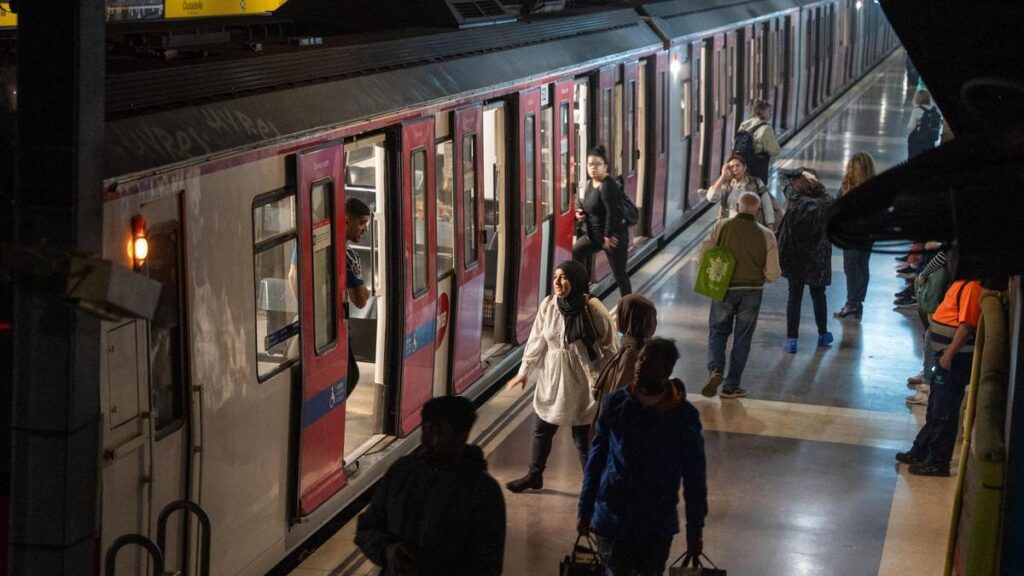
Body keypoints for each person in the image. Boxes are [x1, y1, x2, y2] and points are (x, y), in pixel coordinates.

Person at [578, 338, 707, 576]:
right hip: (612, 519)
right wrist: (585, 509)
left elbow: (694, 477)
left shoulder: (683, 416)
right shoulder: (616, 403)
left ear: (666, 372)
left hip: (655, 526)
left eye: (649, 362)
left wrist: (695, 529)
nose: (639, 365)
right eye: (640, 359)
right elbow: (596, 458)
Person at [355, 396, 505, 575]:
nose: (426, 439)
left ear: (461, 435)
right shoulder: (402, 471)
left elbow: (487, 564)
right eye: (424, 429)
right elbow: (367, 526)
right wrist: (387, 550)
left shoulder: (482, 491)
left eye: (437, 432)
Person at [505, 260, 617, 492]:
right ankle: (534, 476)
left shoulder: (592, 307)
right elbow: (537, 341)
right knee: (542, 429)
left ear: (576, 281)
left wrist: (606, 379)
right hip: (553, 378)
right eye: (556, 277)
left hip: (583, 381)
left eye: (564, 277)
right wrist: (524, 372)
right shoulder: (549, 305)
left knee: (582, 437)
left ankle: (593, 486)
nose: (558, 282)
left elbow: (611, 347)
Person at [896, 278, 1005, 476]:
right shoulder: (961, 283)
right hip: (945, 358)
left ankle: (938, 462)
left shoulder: (972, 288)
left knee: (944, 411)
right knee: (935, 408)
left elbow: (967, 326)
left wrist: (949, 355)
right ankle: (922, 449)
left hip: (954, 360)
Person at [699, 192, 781, 399]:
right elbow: (773, 273)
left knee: (718, 332)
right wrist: (759, 275)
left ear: (737, 206)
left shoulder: (721, 226)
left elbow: (704, 255)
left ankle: (715, 370)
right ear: (759, 211)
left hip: (724, 288)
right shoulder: (766, 234)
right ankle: (731, 386)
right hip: (752, 292)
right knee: (742, 338)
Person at [777, 167, 834, 354]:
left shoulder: (794, 198)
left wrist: (801, 171)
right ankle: (823, 334)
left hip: (796, 256)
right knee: (819, 296)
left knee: (794, 296)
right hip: (819, 258)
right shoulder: (828, 201)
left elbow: (781, 174)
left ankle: (792, 340)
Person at [590, 294, 659, 432]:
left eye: (620, 313)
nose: (616, 317)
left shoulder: (631, 353)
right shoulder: (638, 347)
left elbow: (620, 397)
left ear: (629, 317)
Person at [573, 144, 632, 297]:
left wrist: (607, 236)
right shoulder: (589, 184)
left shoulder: (608, 185)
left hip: (613, 238)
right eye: (590, 164)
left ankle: (629, 304)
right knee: (577, 252)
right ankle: (584, 295)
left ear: (605, 167)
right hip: (594, 236)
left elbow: (612, 212)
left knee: (619, 274)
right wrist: (581, 214)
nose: (593, 168)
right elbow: (589, 206)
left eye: (597, 164)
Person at [835, 153, 877, 320]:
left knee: (850, 266)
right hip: (869, 233)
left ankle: (852, 303)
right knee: (862, 265)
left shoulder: (847, 186)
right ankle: (857, 304)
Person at [343, 197, 372, 396]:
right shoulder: (349, 258)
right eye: (361, 223)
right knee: (350, 376)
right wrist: (365, 290)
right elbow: (360, 301)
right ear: (346, 220)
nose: (365, 229)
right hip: (337, 327)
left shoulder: (307, 240)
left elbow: (292, 276)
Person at [705, 154, 778, 230]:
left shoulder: (756, 182)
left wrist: (770, 224)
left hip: (753, 227)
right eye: (731, 167)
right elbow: (711, 198)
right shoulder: (726, 185)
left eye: (737, 166)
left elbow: (767, 204)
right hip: (730, 227)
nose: (735, 169)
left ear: (744, 167)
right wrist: (722, 176)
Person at [736, 99, 781, 185]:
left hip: (742, 165)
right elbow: (774, 150)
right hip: (757, 167)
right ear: (761, 111)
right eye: (769, 111)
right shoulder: (766, 128)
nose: (771, 114)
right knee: (758, 190)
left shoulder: (744, 124)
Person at [907, 89, 943, 159]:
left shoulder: (917, 110)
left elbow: (911, 127)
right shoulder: (935, 110)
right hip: (931, 141)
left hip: (918, 141)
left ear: (918, 98)